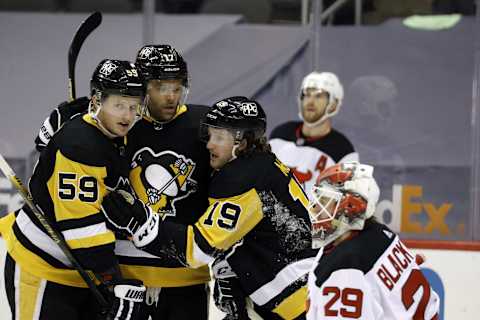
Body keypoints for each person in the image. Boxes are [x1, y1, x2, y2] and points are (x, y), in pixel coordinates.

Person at [34, 44, 212, 320]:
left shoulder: (205, 125)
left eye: (177, 88)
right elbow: (56, 159)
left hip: (184, 279)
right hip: (122, 275)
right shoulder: (114, 122)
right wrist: (58, 128)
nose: (171, 97)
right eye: (160, 87)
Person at [101, 96, 319, 320]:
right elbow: (248, 234)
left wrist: (141, 222)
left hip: (294, 303)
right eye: (210, 135)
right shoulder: (261, 164)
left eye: (219, 137)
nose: (209, 144)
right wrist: (229, 272)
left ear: (242, 143)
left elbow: (197, 249)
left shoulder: (242, 179)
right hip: (296, 291)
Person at [0, 59, 147, 319]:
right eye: (119, 105)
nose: (127, 115)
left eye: (134, 106)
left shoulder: (116, 133)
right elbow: (83, 230)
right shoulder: (79, 147)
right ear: (97, 101)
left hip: (82, 268)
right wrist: (114, 282)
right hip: (43, 265)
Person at [305, 162, 440, 319]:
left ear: (349, 207)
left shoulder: (346, 268)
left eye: (325, 201)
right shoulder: (381, 233)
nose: (314, 208)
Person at [269, 71, 358, 200]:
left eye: (319, 96)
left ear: (333, 104)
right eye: (306, 95)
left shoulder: (343, 150)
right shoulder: (280, 134)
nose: (310, 101)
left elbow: (344, 205)